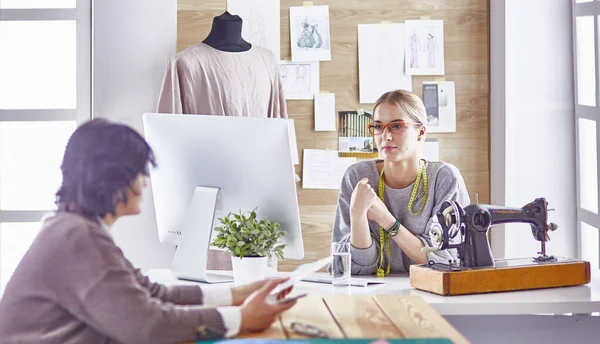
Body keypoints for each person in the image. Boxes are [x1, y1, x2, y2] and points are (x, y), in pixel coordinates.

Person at [0, 119, 296, 343]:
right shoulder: (77, 237)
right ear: (113, 178)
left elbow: (152, 293)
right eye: (140, 172)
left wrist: (237, 293)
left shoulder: (73, 227)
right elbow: (147, 324)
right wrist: (241, 317)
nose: (145, 182)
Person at [331, 90, 470, 276]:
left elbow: (445, 261)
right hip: (371, 293)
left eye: (396, 126)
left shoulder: (444, 179)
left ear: (420, 132)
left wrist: (386, 219)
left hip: (434, 293)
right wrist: (357, 216)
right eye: (379, 127)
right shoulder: (357, 177)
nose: (385, 136)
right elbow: (352, 268)